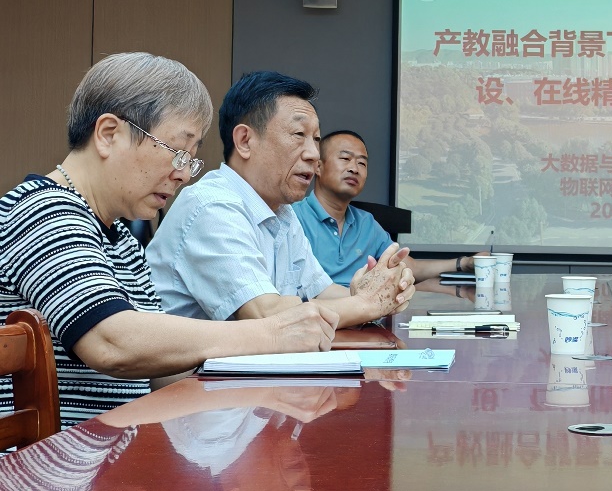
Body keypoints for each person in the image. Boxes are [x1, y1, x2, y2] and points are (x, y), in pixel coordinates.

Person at [0, 53, 337, 428]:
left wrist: (267, 392)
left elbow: (156, 376)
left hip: (111, 450)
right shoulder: (42, 210)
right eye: (178, 153)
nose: (184, 175)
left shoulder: (121, 238)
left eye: (191, 160)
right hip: (53, 459)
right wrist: (271, 334)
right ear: (109, 134)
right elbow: (113, 342)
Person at [148, 72, 415, 327]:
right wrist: (366, 304)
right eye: (299, 135)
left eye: (316, 139)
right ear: (245, 141)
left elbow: (322, 293)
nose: (314, 154)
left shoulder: (283, 213)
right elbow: (265, 315)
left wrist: (379, 290)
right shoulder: (212, 206)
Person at [292, 129, 486, 287]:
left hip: (365, 317)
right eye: (345, 158)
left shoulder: (366, 223)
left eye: (362, 163)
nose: (354, 168)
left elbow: (411, 268)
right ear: (318, 167)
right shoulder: (293, 218)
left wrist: (464, 263)